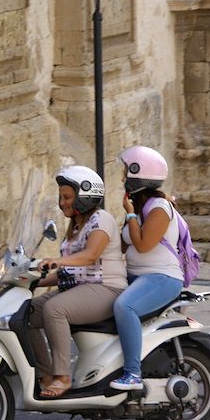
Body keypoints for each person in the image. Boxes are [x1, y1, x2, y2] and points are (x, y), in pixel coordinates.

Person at [29, 165, 128, 398]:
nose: (62, 202)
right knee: (27, 312)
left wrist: (56, 260)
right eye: (60, 197)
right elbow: (70, 271)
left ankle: (62, 377)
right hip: (80, 288)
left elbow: (90, 256)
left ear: (84, 197)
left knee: (55, 309)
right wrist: (31, 281)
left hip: (106, 288)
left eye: (67, 197)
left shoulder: (100, 220)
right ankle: (44, 375)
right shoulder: (74, 225)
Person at [110, 146, 184, 391]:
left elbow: (142, 245)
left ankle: (132, 374)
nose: (122, 178)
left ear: (137, 175)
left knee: (125, 305)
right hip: (136, 277)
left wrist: (130, 215)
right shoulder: (139, 208)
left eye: (125, 172)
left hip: (161, 278)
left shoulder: (160, 209)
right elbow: (121, 245)